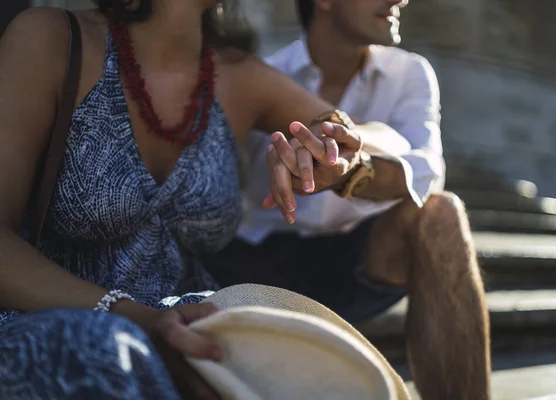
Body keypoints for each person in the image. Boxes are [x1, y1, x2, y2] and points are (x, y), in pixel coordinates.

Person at [0, 0, 413, 399]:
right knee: (107, 349)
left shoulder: (240, 75)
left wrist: (338, 142)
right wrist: (136, 317)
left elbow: (389, 142)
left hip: (195, 333)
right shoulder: (51, 39)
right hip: (55, 324)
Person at [204, 0, 492, 399]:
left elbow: (426, 172)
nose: (399, 0)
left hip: (351, 260)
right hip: (259, 264)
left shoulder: (409, 71)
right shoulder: (267, 73)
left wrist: (351, 168)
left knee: (442, 212)